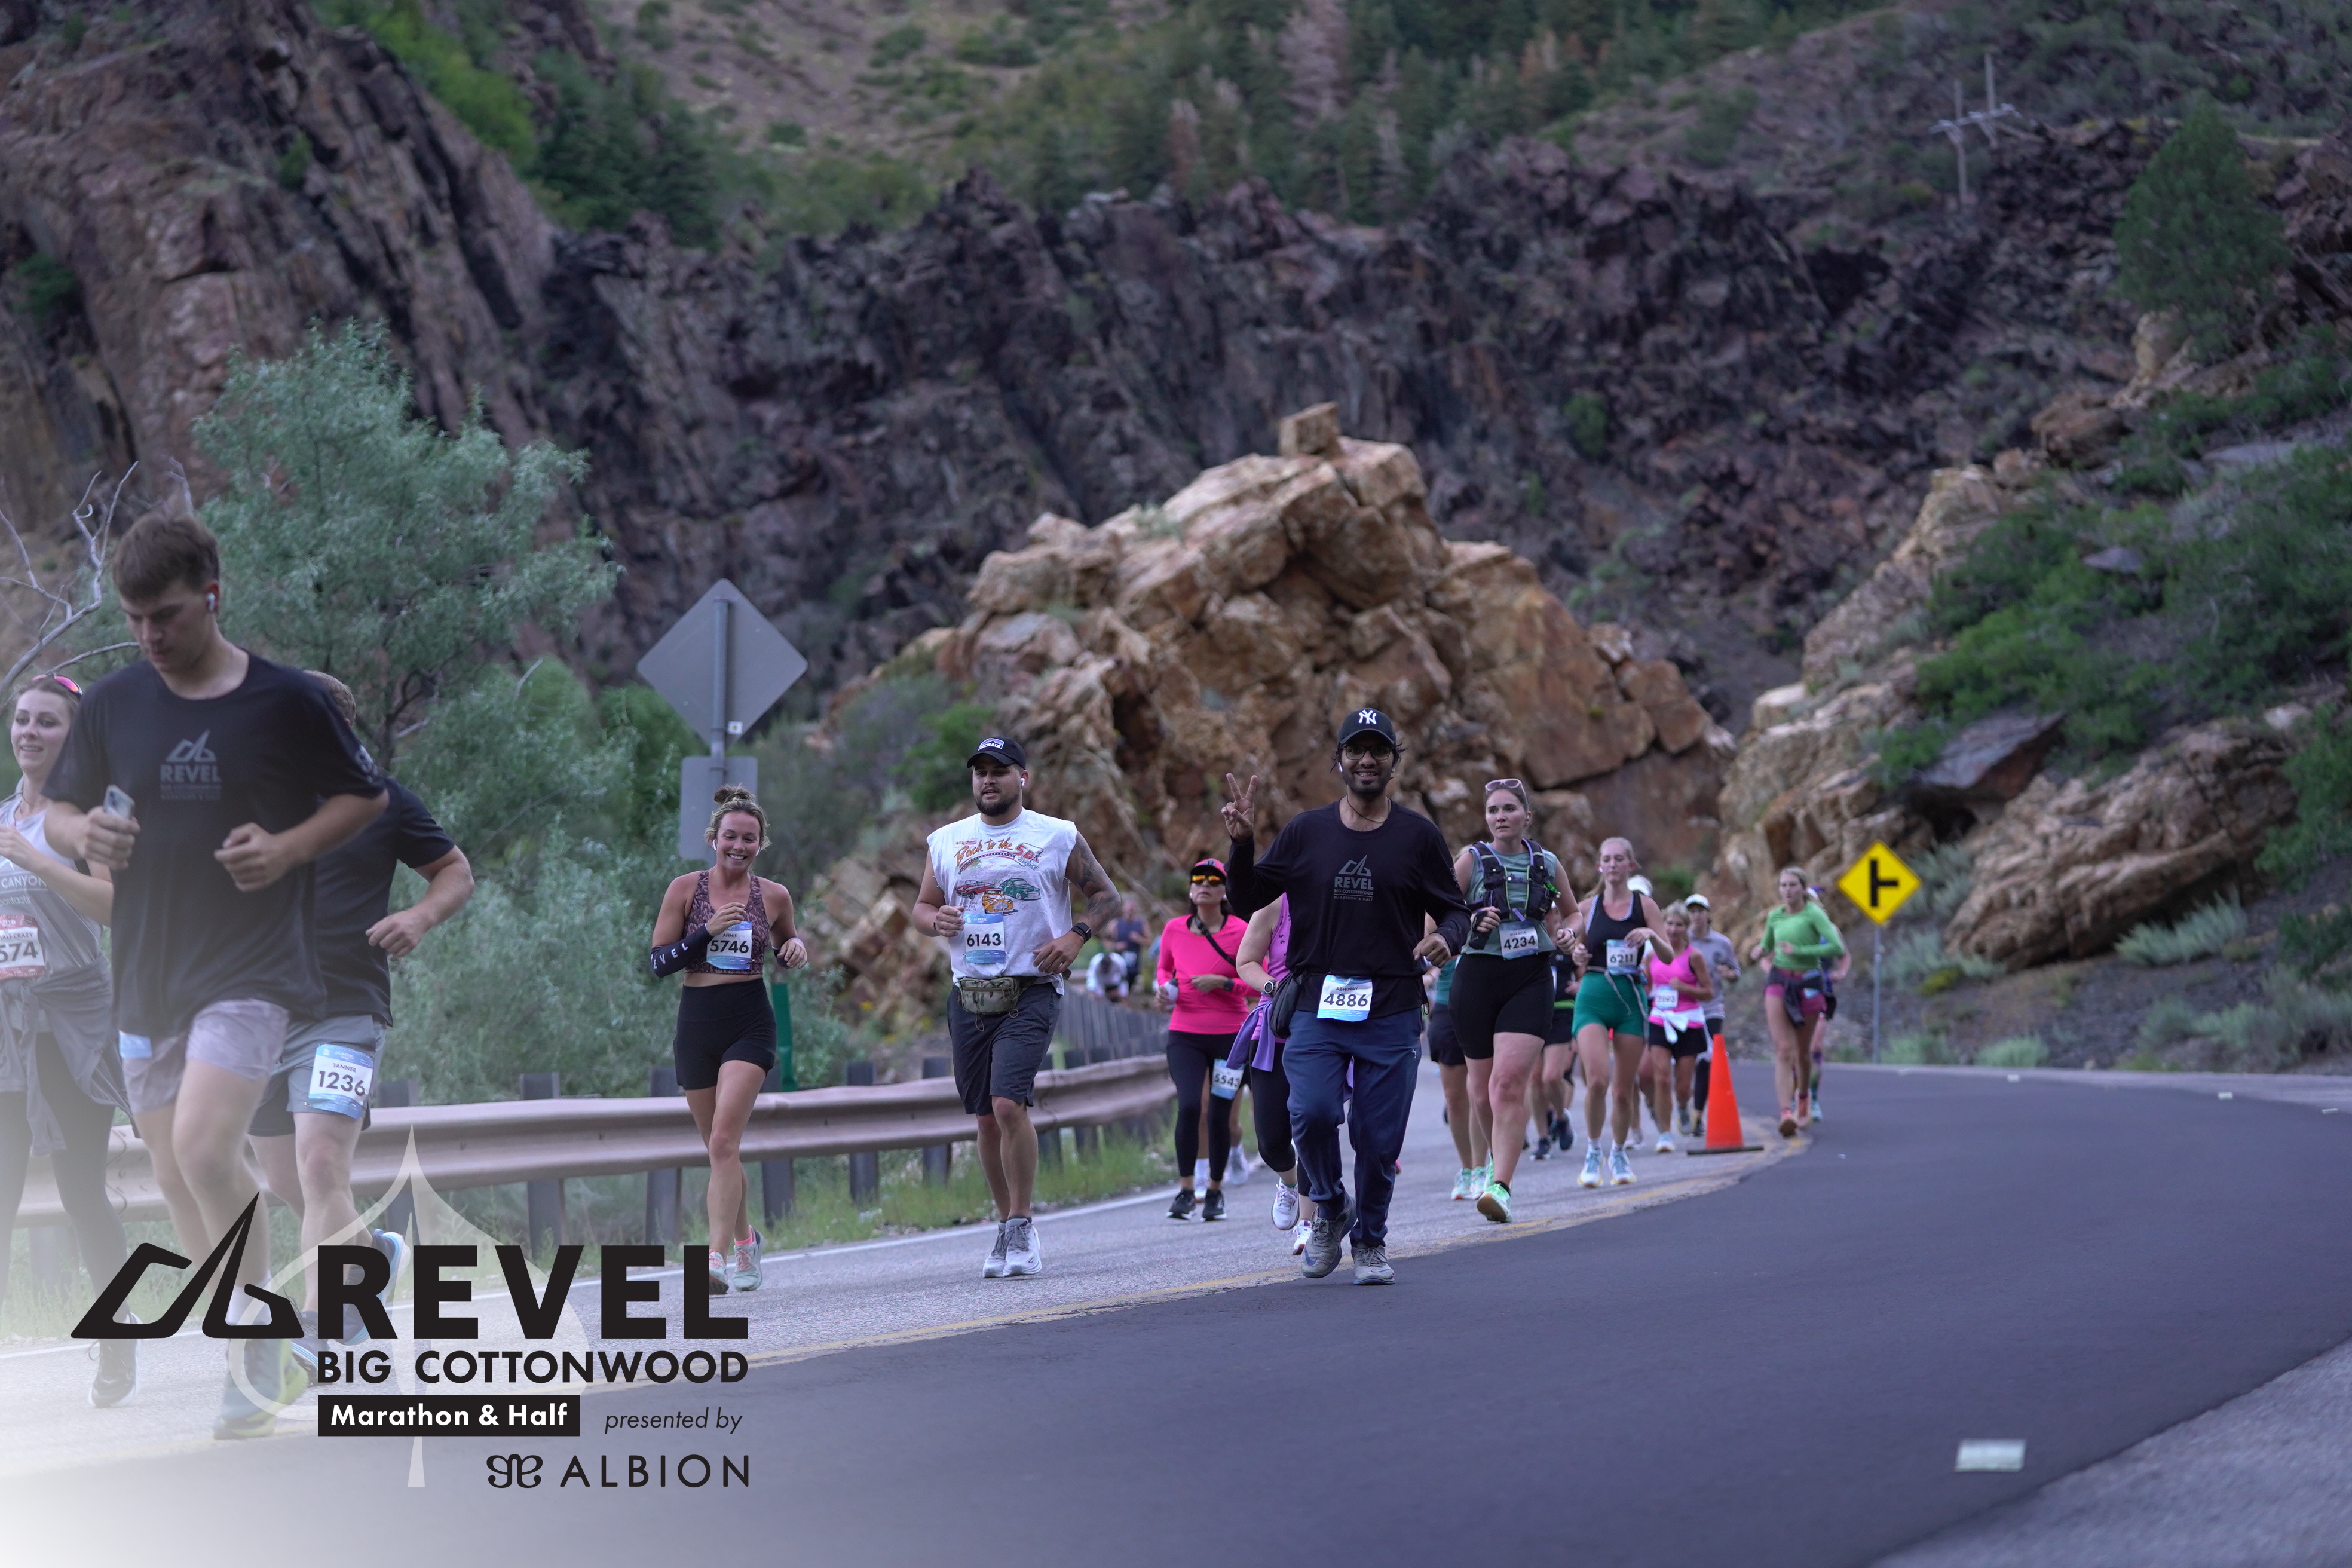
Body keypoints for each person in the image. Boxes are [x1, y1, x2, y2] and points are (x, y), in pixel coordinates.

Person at [45, 511, 385, 1440]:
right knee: (176, 1177)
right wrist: (83, 831)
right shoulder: (115, 701)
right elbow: (61, 809)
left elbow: (365, 796)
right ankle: (257, 1329)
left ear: (212, 596)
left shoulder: (284, 701)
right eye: (134, 619)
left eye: (166, 615)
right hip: (146, 966)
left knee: (203, 1151)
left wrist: (288, 848)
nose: (150, 635)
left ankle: (262, 1350)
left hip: (251, 965)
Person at [250, 673, 475, 1373]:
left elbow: (455, 871)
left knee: (322, 1164)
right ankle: (372, 1254)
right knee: (288, 1180)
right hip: (256, 1017)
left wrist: (419, 915)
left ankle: (321, 1327)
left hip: (345, 1009)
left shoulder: (383, 802)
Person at [1221, 708, 1469, 1285]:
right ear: (1339, 761)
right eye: (1356, 750)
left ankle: (1372, 1242)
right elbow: (1248, 898)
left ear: (1393, 762)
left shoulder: (1418, 836)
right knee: (1309, 1114)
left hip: (1392, 1006)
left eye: (1378, 750)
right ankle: (1331, 1209)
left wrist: (1446, 938)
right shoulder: (1306, 832)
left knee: (1378, 1141)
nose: (1366, 760)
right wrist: (1242, 845)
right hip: (1316, 1002)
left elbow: (1455, 909)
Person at [912, 736, 1119, 1279]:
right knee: (985, 1118)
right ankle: (1005, 1225)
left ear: (1022, 778)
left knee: (1008, 1105)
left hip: (1031, 988)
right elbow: (923, 906)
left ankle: (1024, 1223)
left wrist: (1075, 937)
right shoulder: (947, 841)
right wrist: (935, 921)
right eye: (980, 771)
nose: (988, 780)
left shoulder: (1056, 835)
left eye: (999, 770)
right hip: (970, 993)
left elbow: (1107, 896)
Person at [0, 673, 135, 1407]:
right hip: (8, 1028)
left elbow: (116, 909)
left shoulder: (89, 821)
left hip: (75, 1025)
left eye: (46, 721)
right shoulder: (3, 817)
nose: (29, 731)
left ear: (73, 734)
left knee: (81, 1190)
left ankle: (117, 1340)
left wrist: (39, 862)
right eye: (21, 718)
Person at [649, 785, 809, 1293]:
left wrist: (795, 948)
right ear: (713, 839)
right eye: (731, 837)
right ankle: (746, 1241)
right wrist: (706, 931)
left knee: (723, 1141)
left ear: (760, 845)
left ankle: (714, 1258)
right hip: (697, 1025)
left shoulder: (774, 895)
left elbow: (786, 942)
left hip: (749, 1021)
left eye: (749, 839)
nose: (739, 847)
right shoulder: (684, 890)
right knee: (721, 1151)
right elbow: (658, 963)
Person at [1448, 779, 1570, 1224]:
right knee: (1481, 1092)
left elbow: (1573, 912)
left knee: (1507, 1086)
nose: (1501, 817)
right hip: (1477, 979)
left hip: (1530, 977)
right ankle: (1491, 1166)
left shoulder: (1547, 862)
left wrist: (1569, 932)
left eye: (1509, 809)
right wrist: (1472, 918)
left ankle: (1501, 1185)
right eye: (1493, 810)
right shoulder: (1471, 860)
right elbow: (1439, 914)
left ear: (1526, 816)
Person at [1564, 838, 1669, 1189]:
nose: (1612, 865)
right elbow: (1572, 948)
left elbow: (1668, 956)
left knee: (1623, 1091)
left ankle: (1619, 1152)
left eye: (1619, 859)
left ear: (1630, 866)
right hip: (1593, 996)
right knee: (1597, 1081)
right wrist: (1577, 955)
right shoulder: (1588, 907)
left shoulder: (1645, 905)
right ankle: (1593, 1151)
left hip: (1629, 1001)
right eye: (1607, 859)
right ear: (1600, 866)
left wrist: (1651, 934)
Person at [1156, 858, 1249, 1220]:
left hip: (1231, 1038)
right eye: (1198, 879)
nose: (1205, 885)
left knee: (1220, 1114)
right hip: (1185, 1035)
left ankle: (1214, 1192)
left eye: (1214, 880)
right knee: (1191, 1106)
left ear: (1225, 890)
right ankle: (1184, 1191)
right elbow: (1165, 967)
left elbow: (1260, 980)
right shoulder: (1174, 929)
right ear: (1191, 889)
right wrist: (1164, 988)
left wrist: (1224, 983)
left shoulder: (1242, 931)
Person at [1232, 895, 1316, 1254]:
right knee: (1270, 1140)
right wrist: (1275, 987)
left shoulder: (1342, 897)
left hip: (1323, 1027)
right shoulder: (1273, 906)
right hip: (1274, 1028)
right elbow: (1246, 961)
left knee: (1313, 1122)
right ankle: (1289, 1181)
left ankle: (1309, 1222)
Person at [1751, 867, 1846, 1137]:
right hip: (1779, 981)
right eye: (1783, 885)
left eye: (1793, 885)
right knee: (1783, 1050)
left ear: (1803, 889)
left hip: (1808, 983)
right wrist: (1759, 951)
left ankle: (1803, 1098)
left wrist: (1800, 951)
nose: (1787, 890)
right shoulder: (1775, 916)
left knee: (1803, 1053)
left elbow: (1837, 948)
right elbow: (1767, 945)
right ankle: (1786, 1113)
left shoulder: (1814, 914)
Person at [1639, 902, 1714, 1153]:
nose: (1673, 929)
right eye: (1669, 924)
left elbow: (1708, 991)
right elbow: (1648, 988)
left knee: (1682, 1086)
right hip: (1660, 1019)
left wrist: (1686, 988)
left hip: (1688, 1022)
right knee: (1661, 1078)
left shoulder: (1694, 956)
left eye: (1679, 925)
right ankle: (1665, 1134)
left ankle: (1682, 1106)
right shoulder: (1652, 955)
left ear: (1686, 928)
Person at [1423, 951, 1487, 1201]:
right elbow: (1426, 944)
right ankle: (1467, 1169)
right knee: (1454, 1098)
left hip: (1483, 1001)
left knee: (1479, 1092)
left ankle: (1481, 1169)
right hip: (1446, 1003)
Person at [1684, 894, 1741, 1132]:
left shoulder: (1722, 943)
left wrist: (1729, 974)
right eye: (1692, 911)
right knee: (1686, 1061)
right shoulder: (1680, 940)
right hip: (1684, 1008)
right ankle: (1683, 1105)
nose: (1696, 916)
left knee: (1706, 1060)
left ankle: (1698, 1116)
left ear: (1708, 914)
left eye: (1700, 911)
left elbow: (1736, 971)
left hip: (1712, 1008)